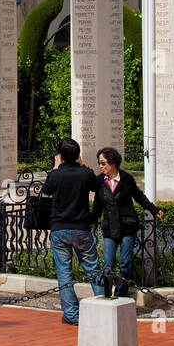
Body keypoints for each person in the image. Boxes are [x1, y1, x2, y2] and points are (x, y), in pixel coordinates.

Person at [41, 138, 105, 326]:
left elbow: (46, 190)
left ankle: (71, 313)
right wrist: (82, 165)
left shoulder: (56, 175)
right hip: (81, 228)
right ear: (77, 155)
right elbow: (96, 186)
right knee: (93, 269)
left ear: (60, 156)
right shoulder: (85, 173)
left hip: (60, 229)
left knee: (64, 273)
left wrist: (55, 167)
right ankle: (102, 307)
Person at [91, 146, 163, 298]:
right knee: (108, 264)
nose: (101, 166)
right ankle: (106, 296)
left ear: (113, 163)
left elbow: (139, 197)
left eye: (103, 163)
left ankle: (121, 296)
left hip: (127, 226)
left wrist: (154, 210)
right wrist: (90, 221)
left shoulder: (126, 179)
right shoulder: (99, 181)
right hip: (110, 228)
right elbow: (97, 204)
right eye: (100, 163)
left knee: (125, 263)